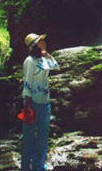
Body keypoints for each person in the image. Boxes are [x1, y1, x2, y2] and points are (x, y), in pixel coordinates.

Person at [21, 33, 60, 171]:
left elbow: (56, 66)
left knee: (43, 135)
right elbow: (27, 82)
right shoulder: (29, 61)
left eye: (42, 40)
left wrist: (47, 55)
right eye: (40, 41)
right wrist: (26, 104)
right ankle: (25, 167)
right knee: (29, 137)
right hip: (32, 102)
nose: (43, 42)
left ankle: (39, 166)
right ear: (34, 46)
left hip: (45, 101)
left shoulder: (43, 59)